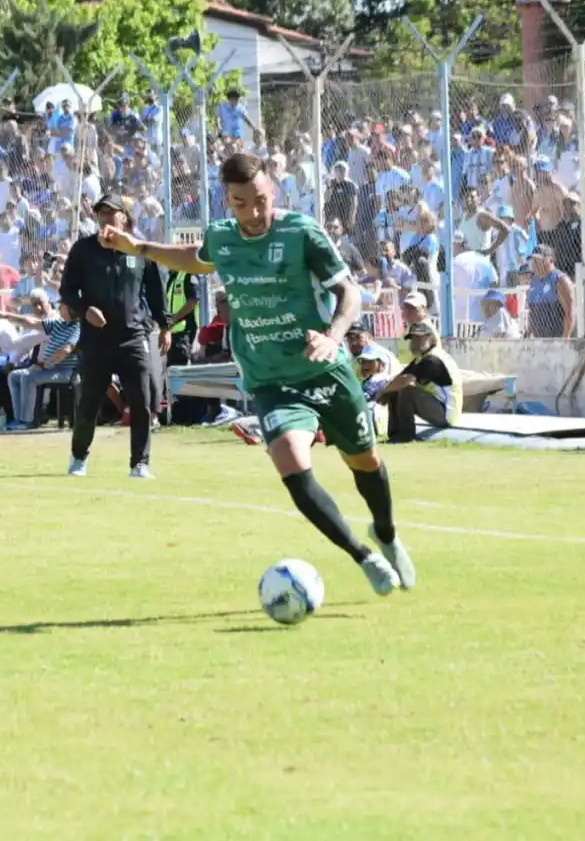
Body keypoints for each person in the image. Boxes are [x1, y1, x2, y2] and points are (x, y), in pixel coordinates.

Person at [97, 152, 415, 597]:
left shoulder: (301, 231)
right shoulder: (222, 237)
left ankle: (386, 533)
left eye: (261, 200)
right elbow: (197, 258)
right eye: (240, 203)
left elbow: (349, 292)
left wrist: (333, 335)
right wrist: (140, 247)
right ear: (228, 201)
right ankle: (364, 556)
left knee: (364, 461)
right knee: (290, 460)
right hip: (270, 379)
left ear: (274, 191)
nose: (252, 212)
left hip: (325, 369)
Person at [58, 194, 168, 478]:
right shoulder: (83, 250)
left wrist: (165, 325)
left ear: (123, 217)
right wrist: (85, 310)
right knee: (89, 402)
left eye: (111, 213)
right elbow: (67, 290)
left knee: (141, 402)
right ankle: (79, 457)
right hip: (96, 338)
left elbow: (155, 291)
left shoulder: (139, 248)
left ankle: (140, 463)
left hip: (133, 335)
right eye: (101, 213)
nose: (106, 218)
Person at [378, 321, 462, 443]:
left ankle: (406, 436)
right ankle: (394, 434)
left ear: (430, 338)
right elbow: (400, 378)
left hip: (447, 414)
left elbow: (406, 380)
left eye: (419, 338)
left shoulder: (433, 360)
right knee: (395, 388)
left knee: (407, 390)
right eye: (412, 339)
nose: (414, 342)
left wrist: (383, 392)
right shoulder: (422, 358)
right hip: (437, 406)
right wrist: (387, 391)